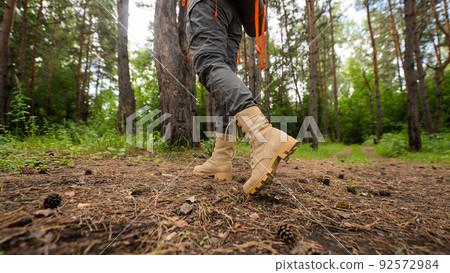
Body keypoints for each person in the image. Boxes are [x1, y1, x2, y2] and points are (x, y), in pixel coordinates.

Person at [186, 0, 298, 196]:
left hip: (208, 5)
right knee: (223, 73)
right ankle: (221, 157)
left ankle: (263, 135)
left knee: (209, 62)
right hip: (235, 12)